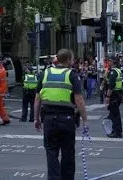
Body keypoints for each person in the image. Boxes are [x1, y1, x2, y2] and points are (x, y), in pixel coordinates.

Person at [34, 49, 88, 180]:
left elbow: (37, 99)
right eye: (73, 58)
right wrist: (85, 119)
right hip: (67, 119)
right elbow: (79, 99)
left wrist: (36, 118)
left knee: (51, 153)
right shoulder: (72, 75)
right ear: (68, 60)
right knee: (68, 153)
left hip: (48, 119)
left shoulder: (45, 74)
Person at [105, 56, 123, 138]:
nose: (108, 62)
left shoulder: (113, 72)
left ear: (113, 62)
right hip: (118, 94)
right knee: (114, 114)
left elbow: (111, 85)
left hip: (114, 95)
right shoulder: (117, 70)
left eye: (109, 60)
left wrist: (108, 96)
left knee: (115, 115)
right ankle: (115, 130)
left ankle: (117, 132)